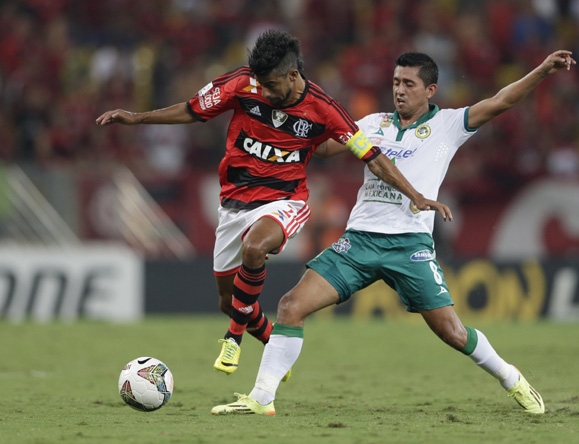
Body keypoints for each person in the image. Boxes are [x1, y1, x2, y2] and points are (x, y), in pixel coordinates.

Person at [210, 49, 576, 416]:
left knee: (453, 333)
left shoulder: (449, 125)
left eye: (409, 84)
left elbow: (501, 101)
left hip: (409, 246)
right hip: (358, 242)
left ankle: (511, 378)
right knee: (290, 306)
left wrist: (543, 70)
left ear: (430, 89)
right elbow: (320, 148)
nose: (399, 90)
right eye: (396, 82)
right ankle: (261, 399)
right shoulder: (372, 124)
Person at [96, 30, 449, 377]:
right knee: (228, 302)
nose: (264, 91)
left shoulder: (324, 109)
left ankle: (232, 339)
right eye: (260, 83)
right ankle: (269, 339)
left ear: (293, 75)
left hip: (285, 200)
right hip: (234, 203)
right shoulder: (242, 84)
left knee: (255, 247)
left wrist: (414, 195)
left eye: (272, 84)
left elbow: (371, 156)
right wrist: (137, 117)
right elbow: (192, 111)